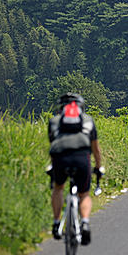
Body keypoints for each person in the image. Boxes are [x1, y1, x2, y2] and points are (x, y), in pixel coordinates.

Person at [48, 93, 103, 245]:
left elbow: (53, 147)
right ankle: (84, 222)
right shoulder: (88, 120)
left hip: (60, 159)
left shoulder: (54, 121)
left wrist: (53, 168)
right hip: (82, 159)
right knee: (84, 194)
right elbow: (96, 149)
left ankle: (56, 222)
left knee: (58, 187)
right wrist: (98, 167)